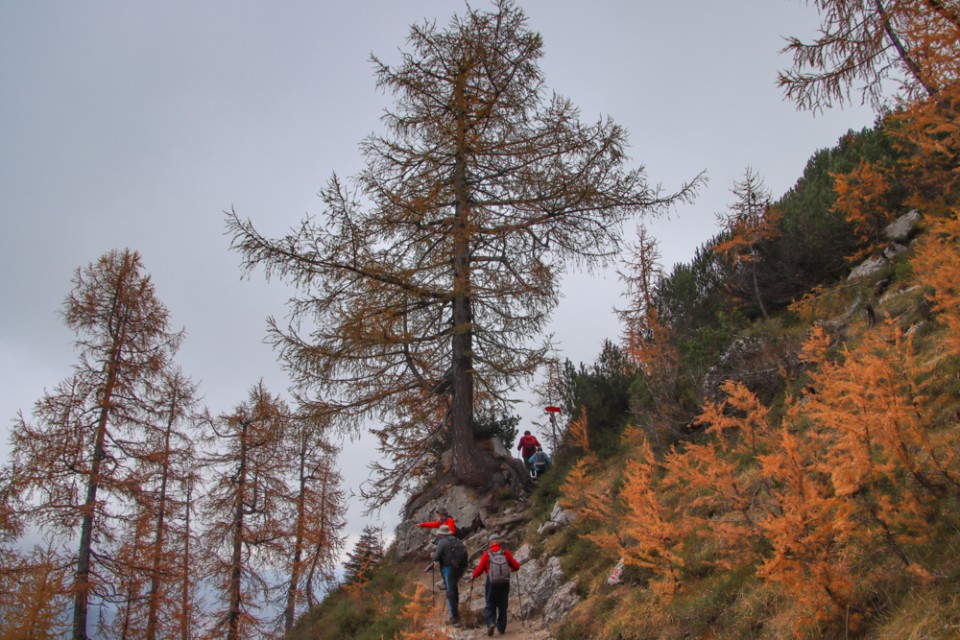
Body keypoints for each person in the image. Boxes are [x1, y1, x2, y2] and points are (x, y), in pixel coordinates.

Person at [471, 532, 521, 636]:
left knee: (490, 603)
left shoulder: (487, 554)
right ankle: (501, 628)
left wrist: (473, 575)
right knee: (503, 604)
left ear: (491, 543)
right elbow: (516, 566)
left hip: (491, 581)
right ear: (499, 542)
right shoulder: (505, 552)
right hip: (504, 582)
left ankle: (491, 623)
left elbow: (480, 569)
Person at [430, 524, 466, 626]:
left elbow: (436, 557)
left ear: (441, 534)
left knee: (450, 592)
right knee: (454, 589)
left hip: (448, 568)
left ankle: (455, 618)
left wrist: (432, 555)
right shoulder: (455, 540)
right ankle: (455, 614)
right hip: (458, 568)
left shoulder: (442, 542)